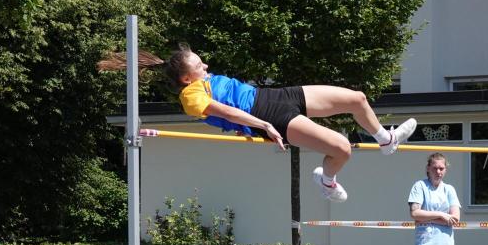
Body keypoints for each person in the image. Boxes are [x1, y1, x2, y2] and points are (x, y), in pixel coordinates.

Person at [98, 46, 417, 202]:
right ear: (185, 78)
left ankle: (385, 141)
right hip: (269, 116)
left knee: (357, 98)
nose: (205, 64)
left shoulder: (201, 79)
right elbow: (230, 114)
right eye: (198, 64)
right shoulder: (190, 97)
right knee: (342, 148)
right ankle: (327, 181)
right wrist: (264, 125)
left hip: (275, 96)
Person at [408, 153, 461, 245]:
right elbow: (415, 213)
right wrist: (441, 215)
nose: (438, 172)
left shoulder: (449, 189)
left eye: (441, 168)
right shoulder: (420, 186)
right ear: (428, 168)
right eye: (434, 168)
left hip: (445, 244)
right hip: (425, 244)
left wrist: (426, 219)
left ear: (445, 169)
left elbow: (455, 219)